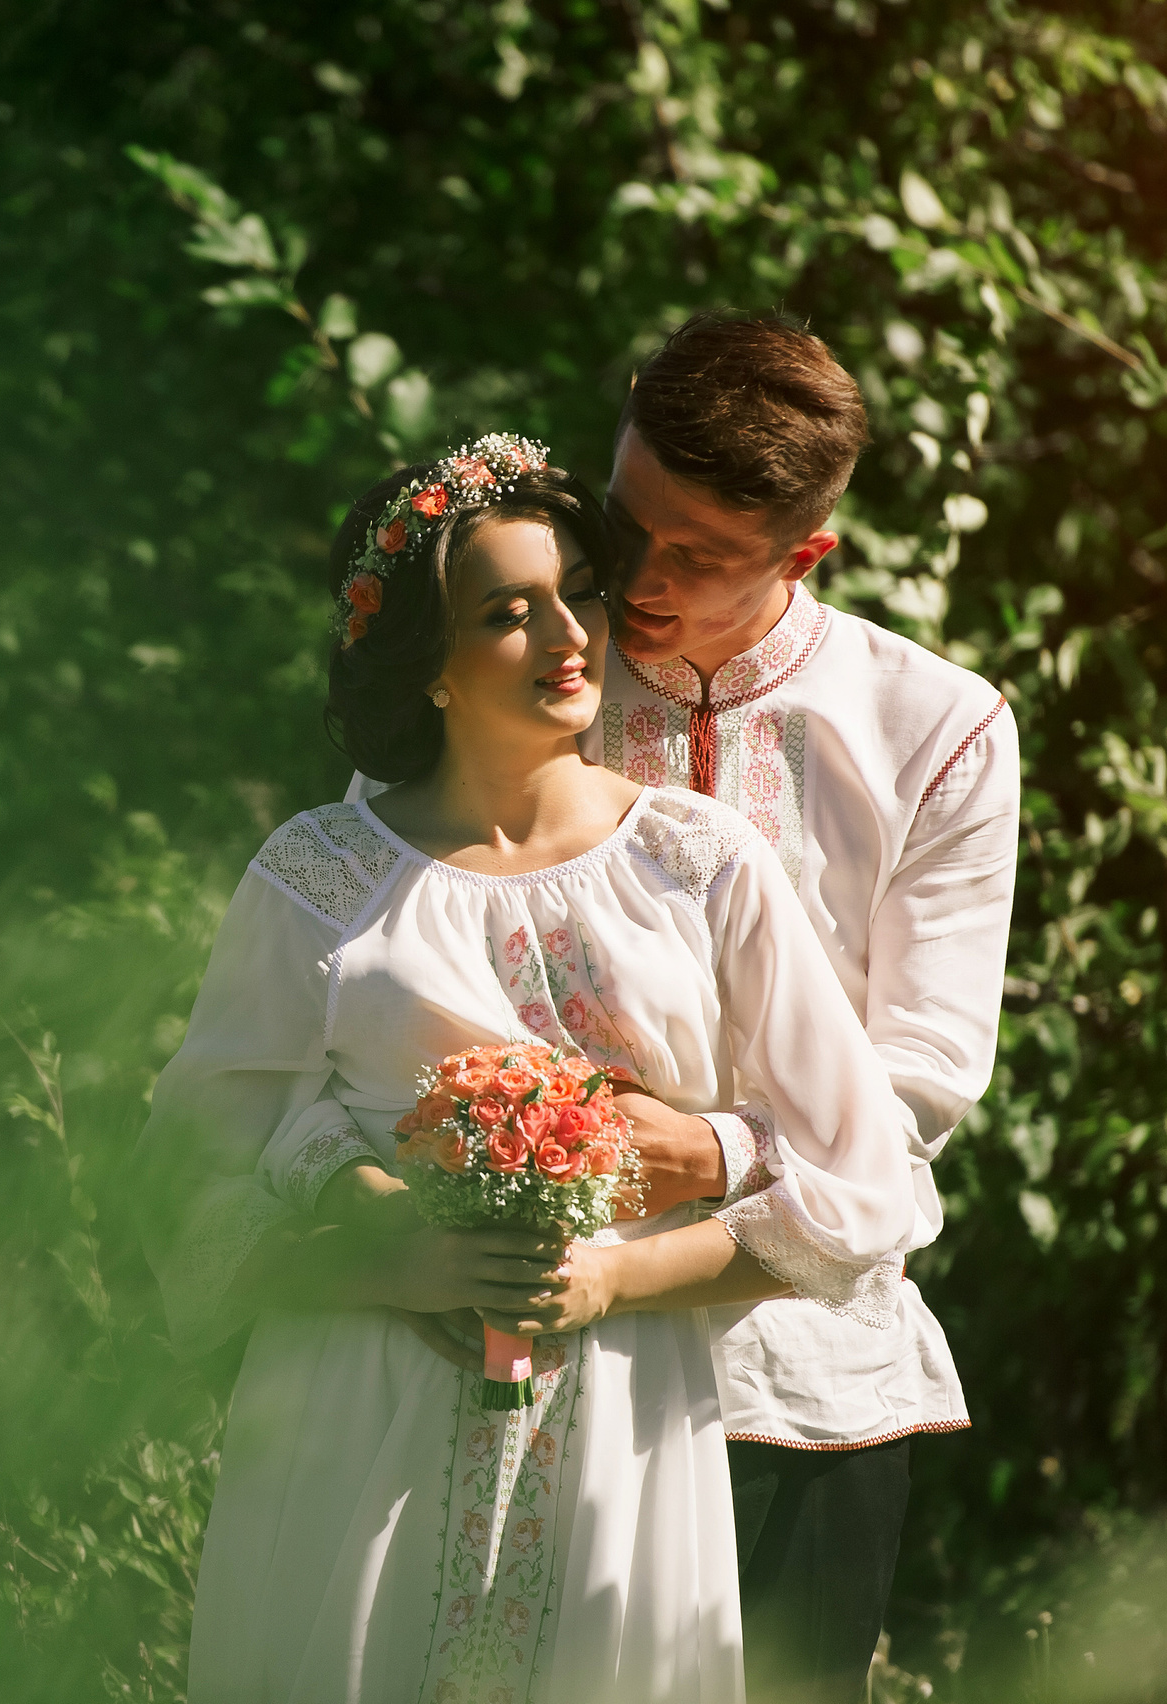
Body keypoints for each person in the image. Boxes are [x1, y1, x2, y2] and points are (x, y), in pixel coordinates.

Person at [140, 434, 927, 1704]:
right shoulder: (321, 877)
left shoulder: (697, 860)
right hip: (359, 1401)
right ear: (429, 669)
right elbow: (191, 1160)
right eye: (509, 612)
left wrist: (612, 1275)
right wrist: (382, 1245)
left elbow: (858, 1182)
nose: (570, 634)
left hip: (623, 1410)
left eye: (577, 591)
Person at [579, 313, 1021, 1703]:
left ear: (805, 554)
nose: (640, 579)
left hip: (813, 1368)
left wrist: (710, 1154)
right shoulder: (529, 668)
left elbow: (923, 1078)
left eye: (700, 557)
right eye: (626, 522)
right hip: (551, 1345)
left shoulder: (935, 726)